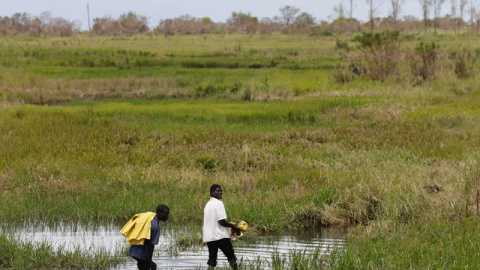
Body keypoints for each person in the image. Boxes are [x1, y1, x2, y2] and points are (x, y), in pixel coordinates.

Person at [203, 184, 241, 270]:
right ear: (212, 193)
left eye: (221, 191)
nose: (220, 192)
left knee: (212, 261)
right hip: (220, 236)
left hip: (210, 237)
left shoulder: (207, 205)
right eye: (218, 191)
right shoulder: (219, 203)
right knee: (231, 257)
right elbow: (221, 221)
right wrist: (233, 226)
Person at [123, 204, 170, 270]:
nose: (167, 216)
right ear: (159, 213)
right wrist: (149, 261)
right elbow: (151, 245)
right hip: (141, 254)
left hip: (133, 251)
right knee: (151, 267)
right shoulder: (155, 227)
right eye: (165, 214)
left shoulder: (150, 216)